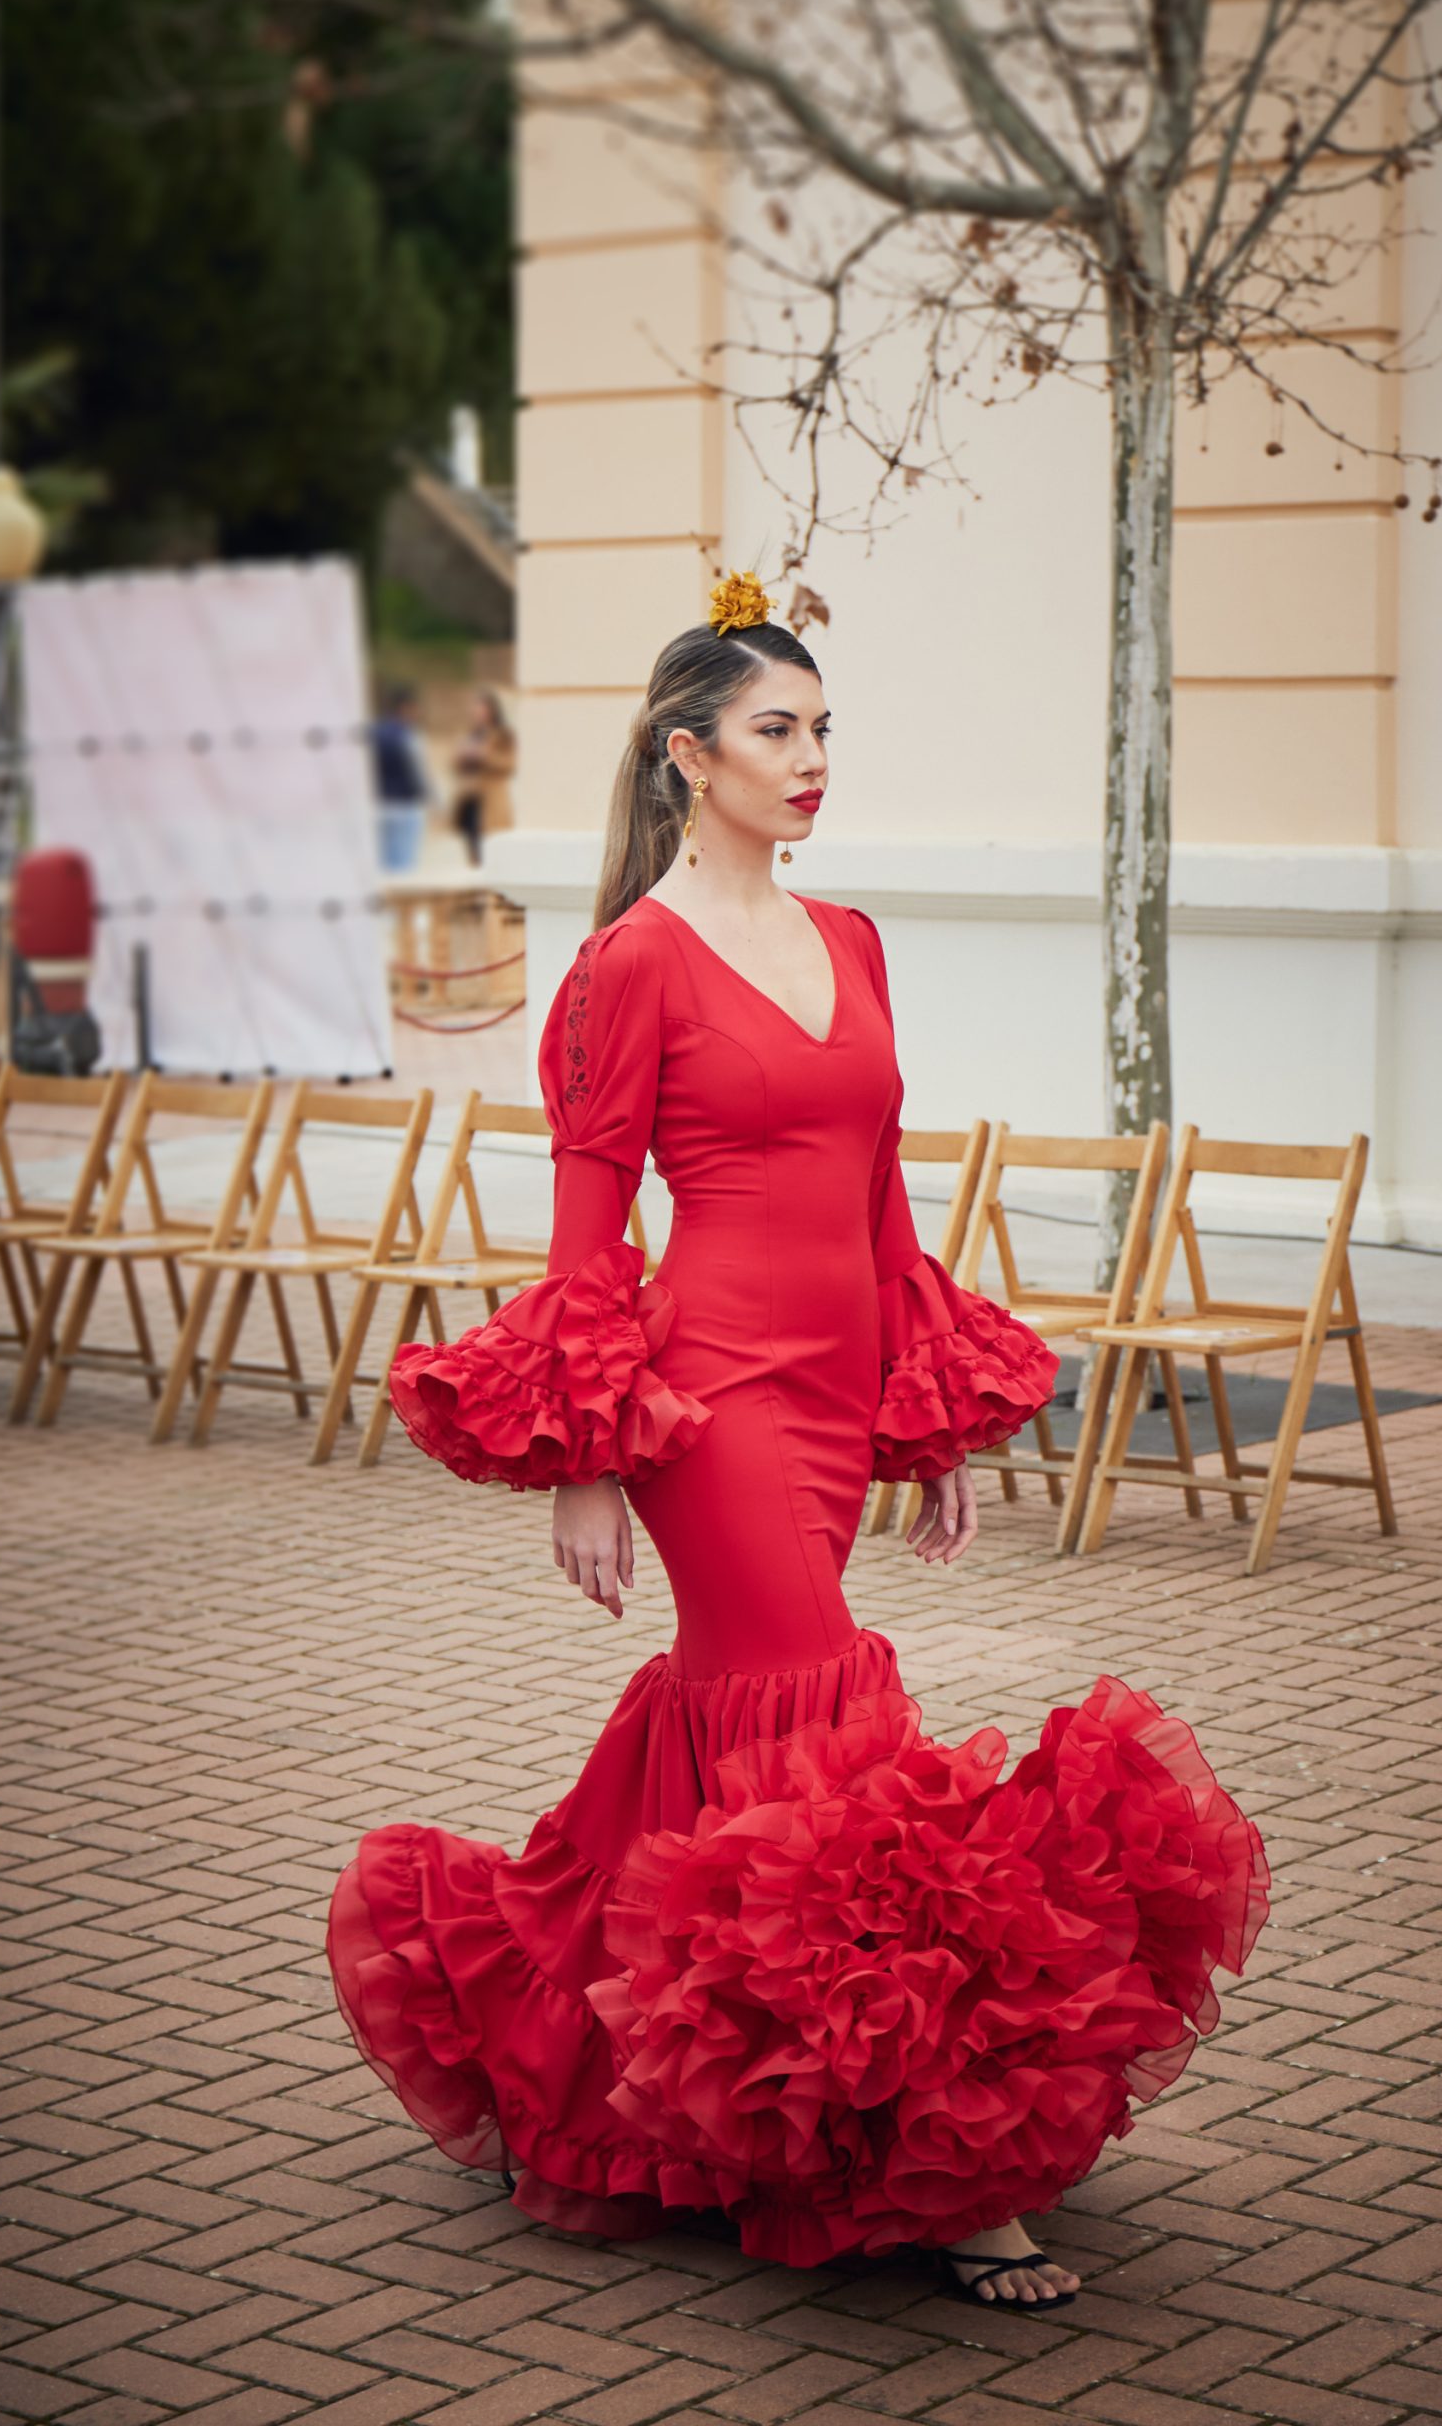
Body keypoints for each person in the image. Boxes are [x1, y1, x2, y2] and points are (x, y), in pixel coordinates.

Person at [327, 572, 1269, 2309]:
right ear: (692, 758)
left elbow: (882, 1196)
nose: (813, 760)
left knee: (745, 1730)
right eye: (780, 731)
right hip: (711, 1396)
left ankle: (581, 2039)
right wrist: (593, 1449)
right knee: (826, 1711)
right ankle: (927, 2161)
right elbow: (589, 1228)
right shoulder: (625, 964)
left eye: (823, 729)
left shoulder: (852, 941)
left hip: (842, 1389)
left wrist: (934, 1406)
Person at [450, 686, 518, 867]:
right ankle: (479, 888)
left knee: (492, 849)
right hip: (470, 799)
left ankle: (493, 892)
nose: (476, 713)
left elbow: (510, 764)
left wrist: (484, 755)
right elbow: (455, 766)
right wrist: (461, 756)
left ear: (491, 710)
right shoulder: (470, 734)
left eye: (481, 708)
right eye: (474, 709)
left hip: (491, 801)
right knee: (473, 850)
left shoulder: (502, 735)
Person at [370, 682, 429, 874]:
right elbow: (418, 771)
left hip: (381, 803)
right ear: (406, 707)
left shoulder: (374, 732)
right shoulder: (408, 735)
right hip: (406, 804)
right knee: (404, 867)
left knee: (384, 865)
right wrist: (431, 799)